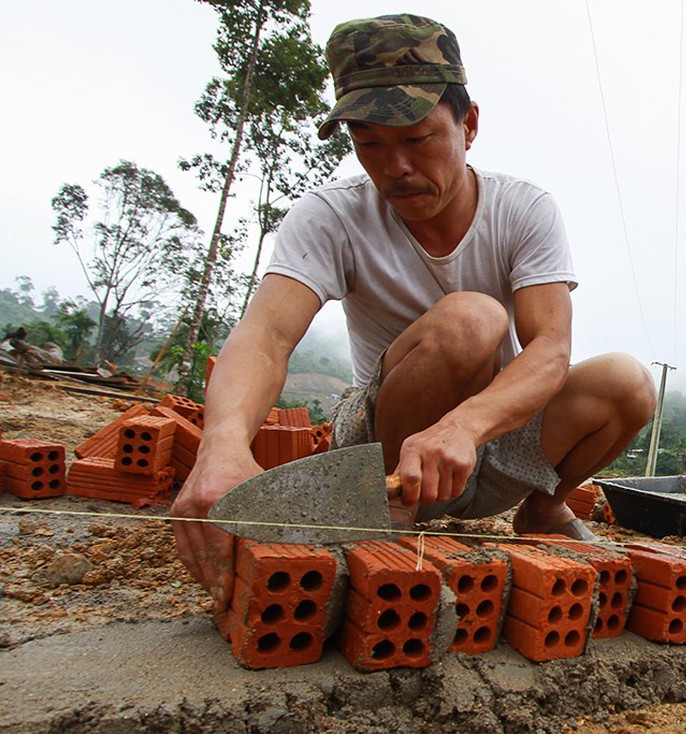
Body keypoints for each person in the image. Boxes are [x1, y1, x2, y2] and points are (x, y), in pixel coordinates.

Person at [169, 14, 657, 610]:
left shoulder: (524, 210)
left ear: (468, 124)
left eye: (417, 139)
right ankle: (390, 529)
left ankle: (545, 507)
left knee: (627, 383)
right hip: (383, 455)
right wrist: (221, 445)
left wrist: (466, 426)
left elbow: (551, 350)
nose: (394, 166)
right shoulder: (331, 216)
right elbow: (266, 335)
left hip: (481, 446)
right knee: (471, 321)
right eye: (369, 143)